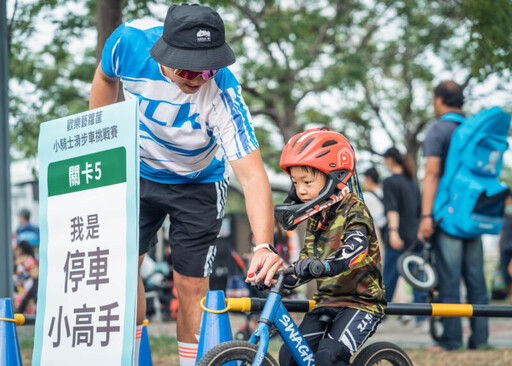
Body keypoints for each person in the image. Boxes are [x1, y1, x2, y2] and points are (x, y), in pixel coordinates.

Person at [89, 4, 282, 365]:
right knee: (122, 271)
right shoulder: (127, 44)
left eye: (208, 68)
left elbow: (253, 175)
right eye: (187, 69)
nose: (197, 79)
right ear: (163, 53)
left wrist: (263, 244)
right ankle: (129, 357)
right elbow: (104, 79)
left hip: (199, 183)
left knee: (191, 285)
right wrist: (100, 143)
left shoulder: (223, 92)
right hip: (140, 171)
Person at [275, 128, 386, 366]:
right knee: (290, 355)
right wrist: (283, 277)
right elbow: (307, 259)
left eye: (307, 181)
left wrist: (324, 265)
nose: (300, 189)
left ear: (334, 177)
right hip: (327, 300)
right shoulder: (317, 215)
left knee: (329, 357)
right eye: (295, 182)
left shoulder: (354, 208)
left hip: (361, 302)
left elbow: (356, 248)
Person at [417, 80, 489, 350]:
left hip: (448, 216)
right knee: (476, 279)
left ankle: (451, 340)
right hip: (475, 213)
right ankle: (480, 340)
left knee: (449, 278)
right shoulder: (474, 130)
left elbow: (432, 173)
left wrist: (426, 216)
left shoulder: (439, 129)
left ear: (439, 100)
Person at [362, 167, 386, 250]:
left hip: (375, 233)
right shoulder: (383, 193)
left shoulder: (366, 197)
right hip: (386, 231)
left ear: (368, 179)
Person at [13, 240, 39, 314]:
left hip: (34, 281)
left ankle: (19, 313)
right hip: (34, 280)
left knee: (26, 299)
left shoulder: (23, 257)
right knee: (28, 300)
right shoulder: (30, 257)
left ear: (20, 249)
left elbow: (16, 267)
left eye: (17, 250)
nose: (15, 252)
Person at [499, 193, 512, 302]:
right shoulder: (505, 215)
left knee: (510, 270)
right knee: (505, 274)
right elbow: (502, 232)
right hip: (505, 247)